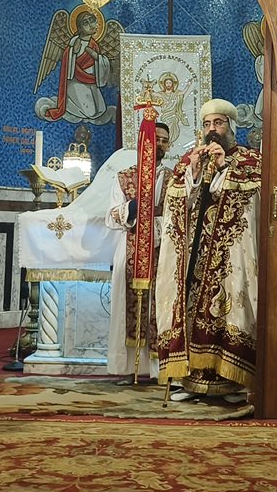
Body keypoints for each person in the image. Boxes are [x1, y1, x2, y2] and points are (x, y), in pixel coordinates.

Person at [156, 99, 260, 403]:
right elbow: (176, 201)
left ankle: (232, 381)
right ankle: (190, 381)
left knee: (228, 312)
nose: (212, 129)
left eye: (218, 123)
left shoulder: (249, 160)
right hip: (194, 253)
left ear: (231, 126)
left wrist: (225, 168)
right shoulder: (191, 159)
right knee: (189, 312)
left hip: (230, 255)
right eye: (207, 124)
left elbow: (254, 199)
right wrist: (193, 172)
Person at [107, 120, 174, 378]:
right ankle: (128, 368)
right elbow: (111, 216)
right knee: (128, 307)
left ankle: (158, 369)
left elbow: (181, 214)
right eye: (156, 139)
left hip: (162, 250)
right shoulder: (124, 177)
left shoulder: (174, 178)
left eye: (164, 141)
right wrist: (132, 208)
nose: (160, 144)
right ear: (143, 143)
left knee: (160, 306)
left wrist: (156, 222)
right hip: (131, 248)